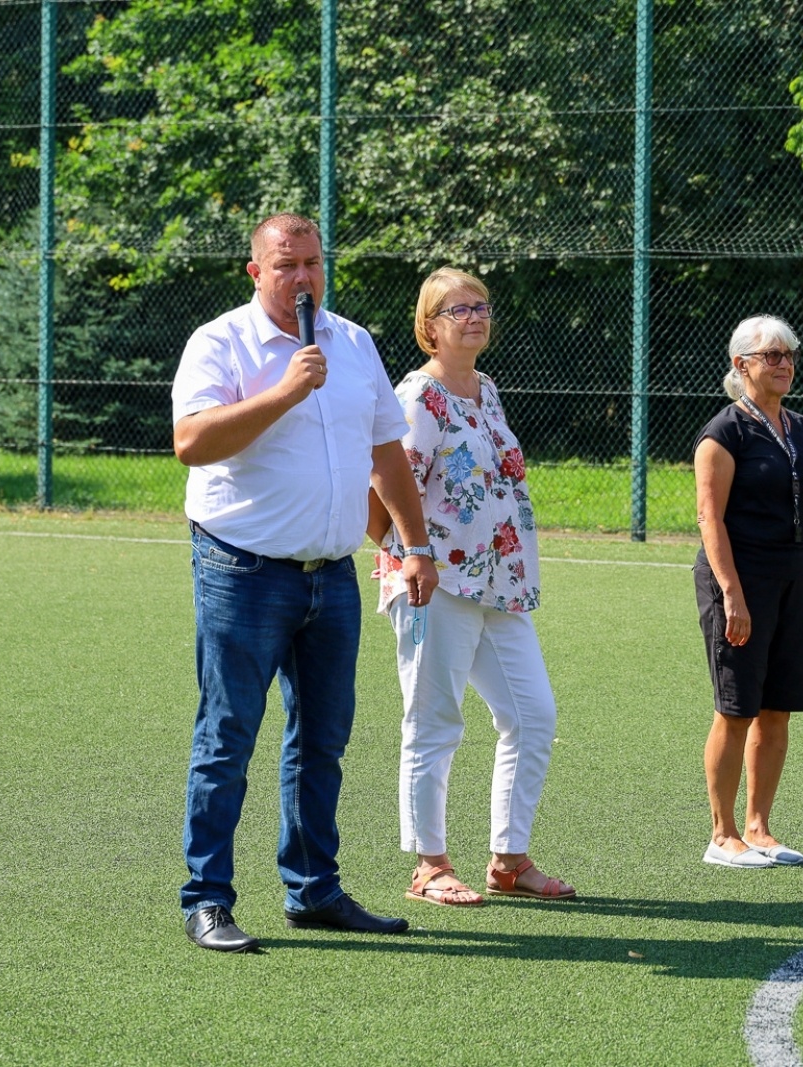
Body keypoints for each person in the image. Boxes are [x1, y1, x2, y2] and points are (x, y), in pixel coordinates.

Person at [171, 213, 440, 953]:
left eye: (313, 263)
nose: (303, 278)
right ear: (255, 272)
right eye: (286, 265)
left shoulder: (351, 342)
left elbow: (387, 451)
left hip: (334, 574)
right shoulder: (220, 342)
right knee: (228, 736)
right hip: (243, 569)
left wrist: (415, 543)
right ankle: (207, 899)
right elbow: (190, 442)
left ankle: (314, 889)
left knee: (321, 740)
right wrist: (285, 392)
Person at [367, 267, 575, 907]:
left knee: (532, 715)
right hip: (436, 582)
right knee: (434, 721)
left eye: (480, 305)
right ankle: (429, 865)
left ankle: (509, 860)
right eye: (457, 309)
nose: (474, 316)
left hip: (498, 583)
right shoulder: (418, 397)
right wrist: (403, 558)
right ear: (429, 328)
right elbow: (382, 489)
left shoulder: (485, 389)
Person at [692, 314, 803, 870]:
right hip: (738, 578)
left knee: (777, 709)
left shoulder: (801, 427)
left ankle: (759, 827)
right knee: (736, 709)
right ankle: (721, 834)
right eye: (771, 355)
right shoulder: (722, 433)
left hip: (788, 580)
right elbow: (710, 518)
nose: (783, 363)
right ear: (741, 365)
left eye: (788, 355)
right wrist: (731, 594)